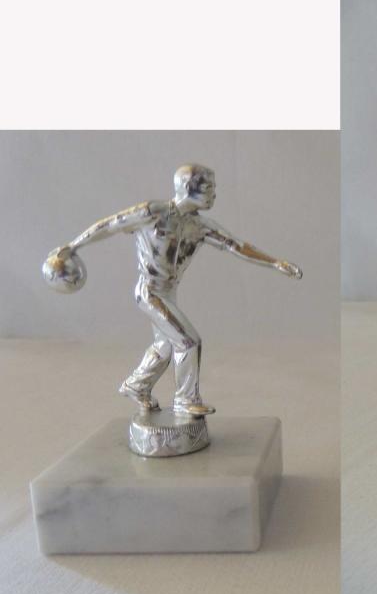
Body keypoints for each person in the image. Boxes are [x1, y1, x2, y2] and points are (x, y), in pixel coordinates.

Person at [50, 164, 302, 414]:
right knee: (188, 341)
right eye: (209, 187)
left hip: (168, 293)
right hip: (149, 292)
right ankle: (186, 399)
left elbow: (237, 246)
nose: (214, 194)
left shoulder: (202, 226)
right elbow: (110, 225)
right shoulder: (153, 212)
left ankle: (137, 386)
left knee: (165, 346)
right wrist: (73, 246)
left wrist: (275, 262)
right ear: (188, 188)